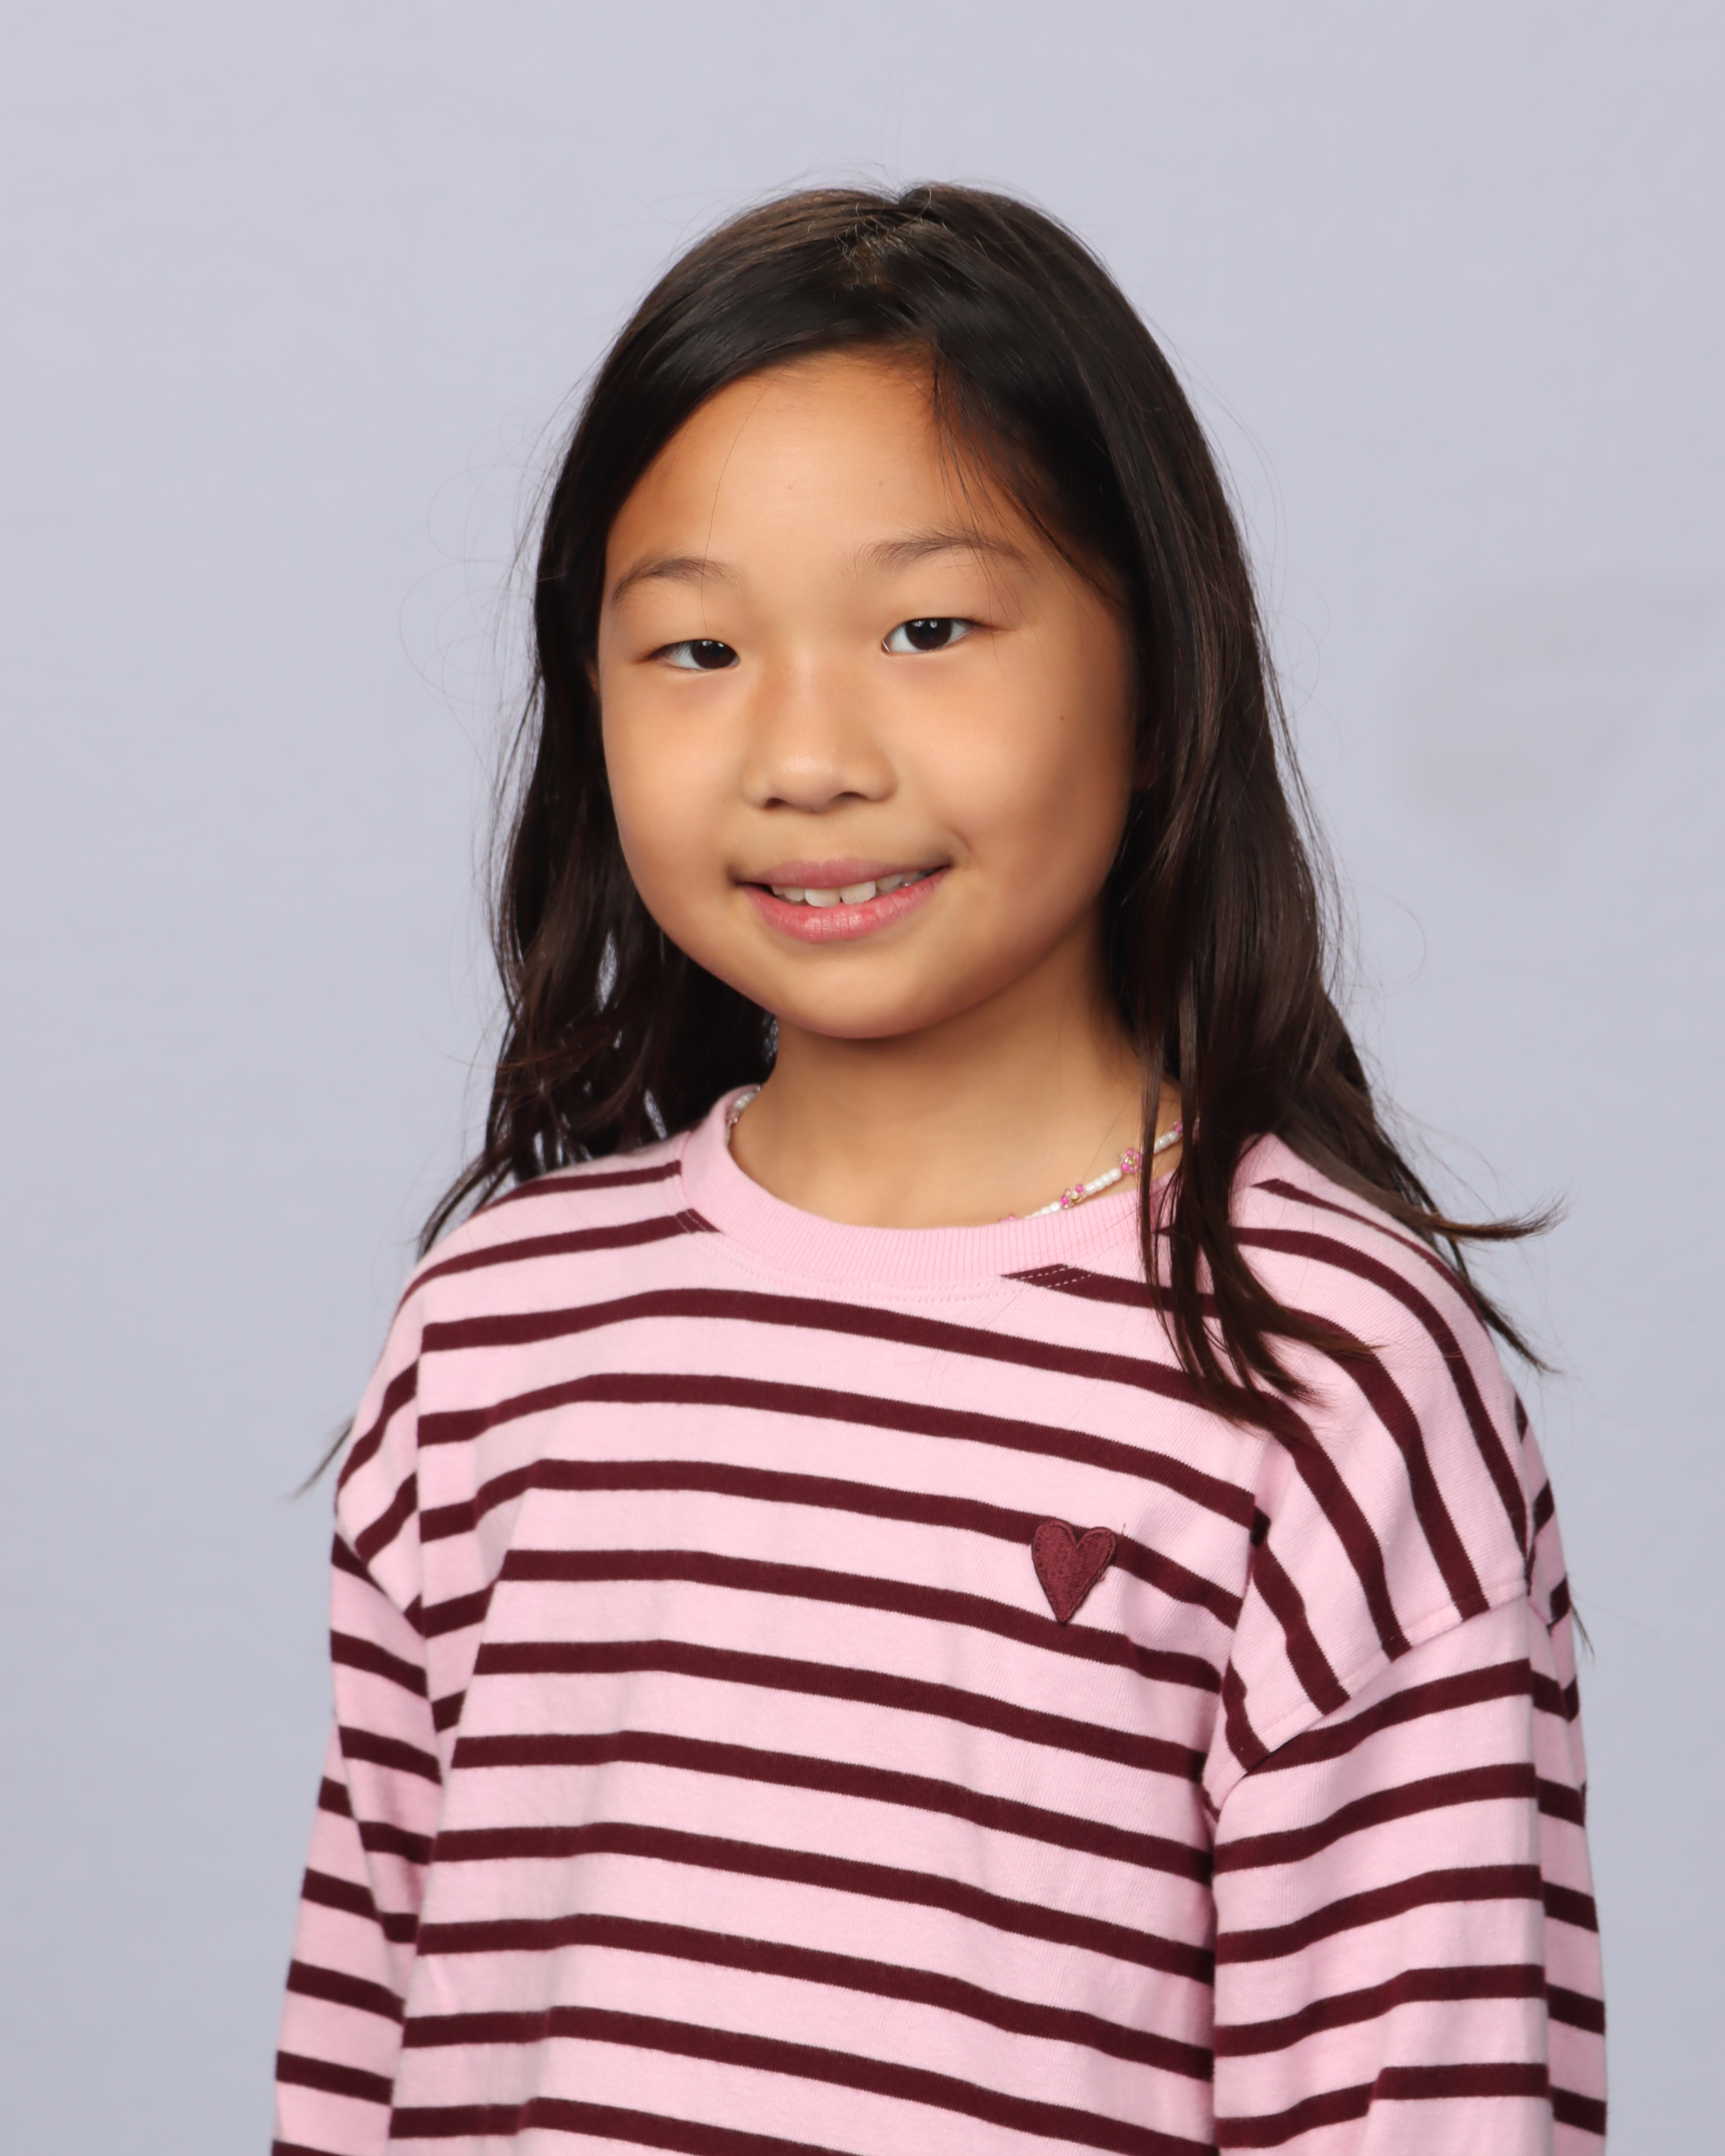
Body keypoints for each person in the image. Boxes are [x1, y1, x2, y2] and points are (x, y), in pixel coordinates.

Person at [273, 185, 1605, 2156]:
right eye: (697, 646)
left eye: (927, 629)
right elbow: (371, 2038)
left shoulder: (1316, 1370)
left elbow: (1425, 2099)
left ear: (1157, 676)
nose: (808, 754)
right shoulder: (494, 1334)